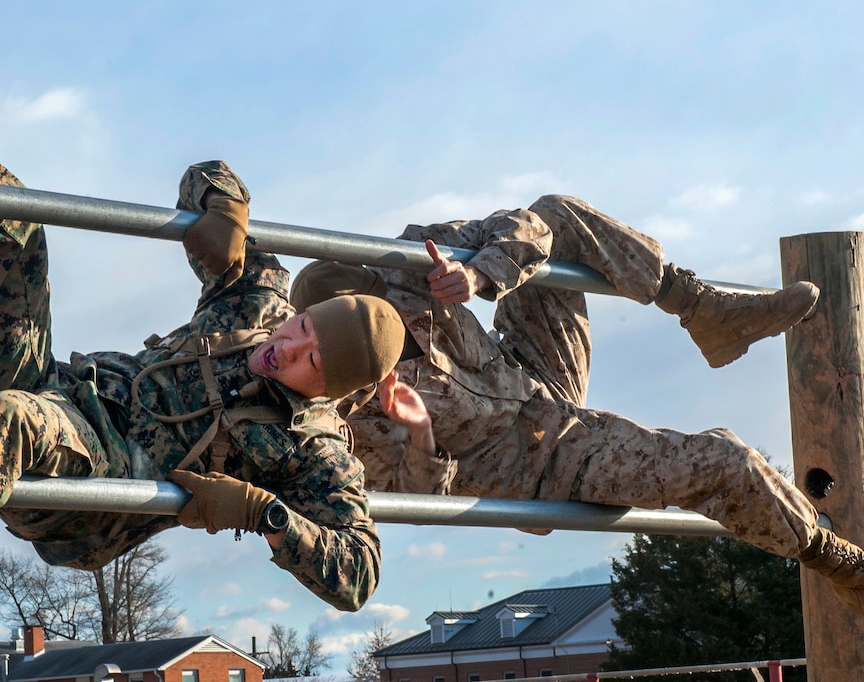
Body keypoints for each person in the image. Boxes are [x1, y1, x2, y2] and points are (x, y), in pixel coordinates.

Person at [0, 10, 407, 623]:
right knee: (20, 239)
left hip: (87, 487)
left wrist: (263, 514)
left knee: (17, 420)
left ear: (331, 388)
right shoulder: (258, 306)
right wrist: (224, 209)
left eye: (311, 360)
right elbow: (205, 176)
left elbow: (358, 575)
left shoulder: (315, 447)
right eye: (301, 329)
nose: (286, 348)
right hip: (60, 388)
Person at [289, 195, 864, 615]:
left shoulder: (405, 267)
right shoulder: (346, 411)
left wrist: (479, 274)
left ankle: (704, 310)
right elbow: (414, 498)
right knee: (726, 460)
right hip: (542, 462)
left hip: (530, 375)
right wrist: (418, 433)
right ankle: (831, 555)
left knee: (555, 215)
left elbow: (525, 227)